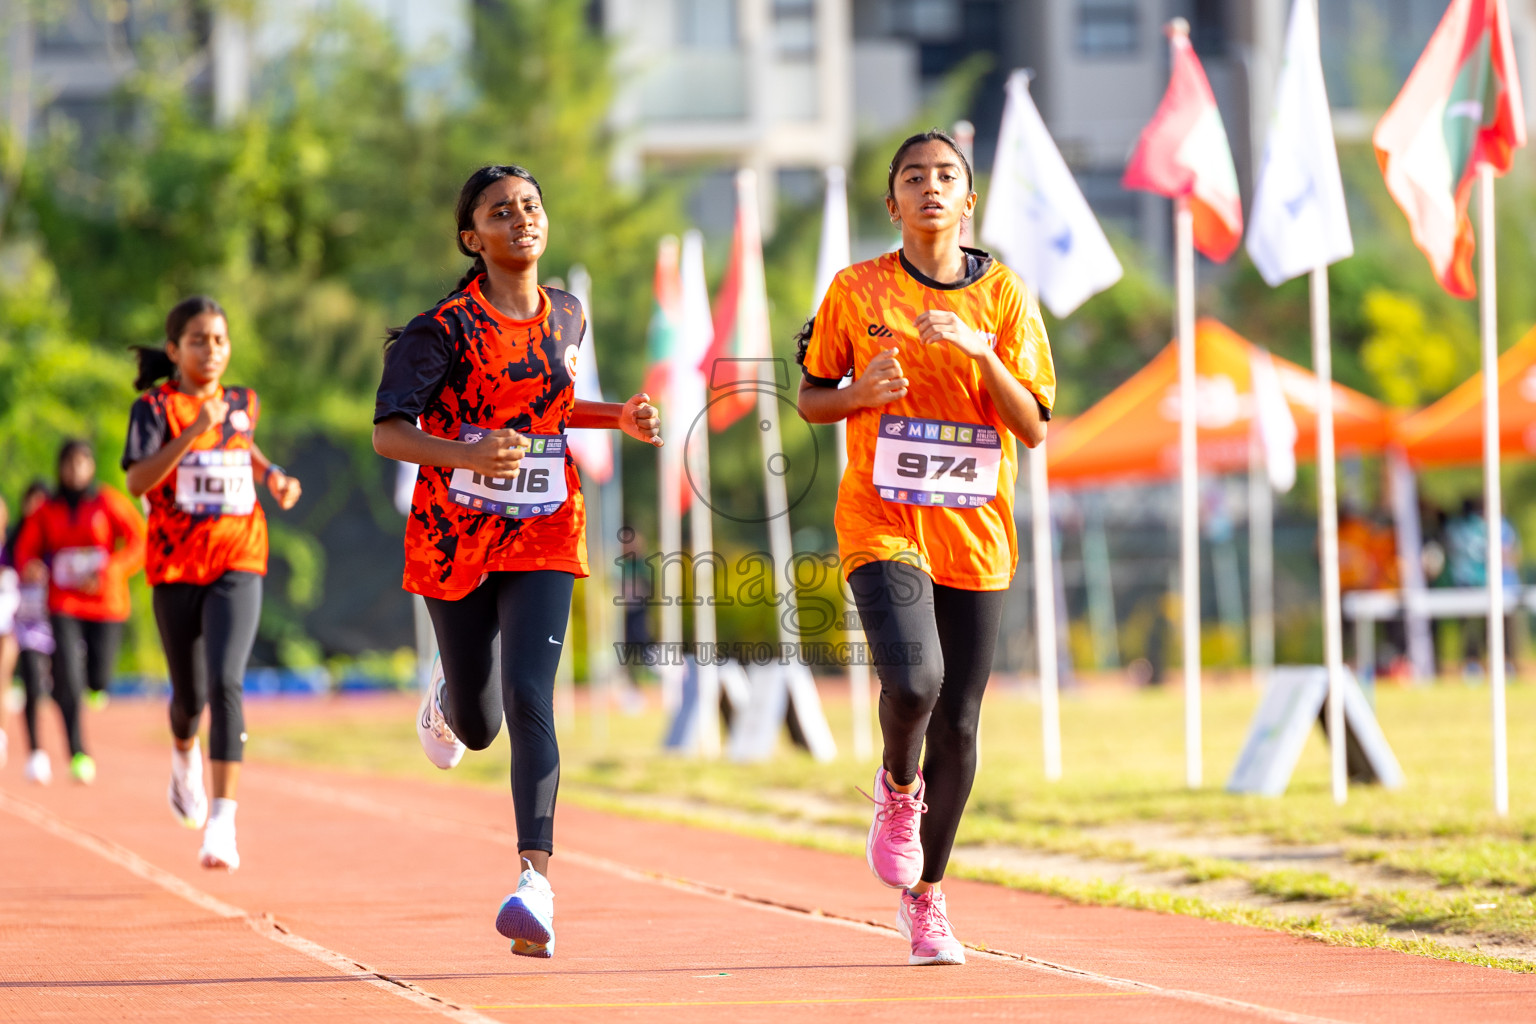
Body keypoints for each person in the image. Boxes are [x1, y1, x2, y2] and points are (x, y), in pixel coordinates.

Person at [373, 164, 661, 958]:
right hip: (454, 537)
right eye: (502, 213)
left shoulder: (568, 313)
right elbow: (389, 433)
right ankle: (446, 699)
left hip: (543, 526)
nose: (522, 219)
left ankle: (535, 883)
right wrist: (464, 450)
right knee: (481, 721)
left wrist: (619, 418)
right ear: (474, 237)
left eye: (531, 206)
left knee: (532, 695)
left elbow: (555, 407)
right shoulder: (444, 330)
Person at [796, 129, 1055, 966]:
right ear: (894, 202)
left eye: (947, 176)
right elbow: (810, 397)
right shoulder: (856, 289)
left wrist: (982, 354)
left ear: (968, 198)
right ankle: (895, 788)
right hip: (881, 517)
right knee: (915, 683)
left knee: (963, 723)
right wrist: (857, 393)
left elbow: (1034, 427)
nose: (932, 187)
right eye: (915, 177)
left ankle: (928, 898)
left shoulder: (1005, 296)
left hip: (974, 531)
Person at [121, 296, 303, 872]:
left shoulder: (242, 402)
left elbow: (241, 447)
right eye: (199, 340)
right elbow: (137, 481)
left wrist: (272, 475)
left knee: (227, 683)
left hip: (238, 557)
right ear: (174, 350)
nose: (212, 350)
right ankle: (182, 756)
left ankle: (222, 825)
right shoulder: (155, 408)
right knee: (189, 698)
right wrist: (192, 431)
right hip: (175, 567)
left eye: (220, 340)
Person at [14, 441, 146, 784]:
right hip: (64, 603)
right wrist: (30, 565)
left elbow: (138, 541)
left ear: (91, 467)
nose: (75, 471)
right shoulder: (48, 509)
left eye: (82, 463)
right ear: (60, 467)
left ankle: (95, 684)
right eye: (69, 464)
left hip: (106, 604)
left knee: (98, 679)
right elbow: (26, 547)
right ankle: (78, 751)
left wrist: (108, 571)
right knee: (67, 677)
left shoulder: (106, 501)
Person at [6, 481, 57, 783]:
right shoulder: (14, 542)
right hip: (24, 626)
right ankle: (36, 752)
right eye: (32, 501)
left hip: (56, 624)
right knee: (33, 687)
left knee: (64, 686)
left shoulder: (57, 539)